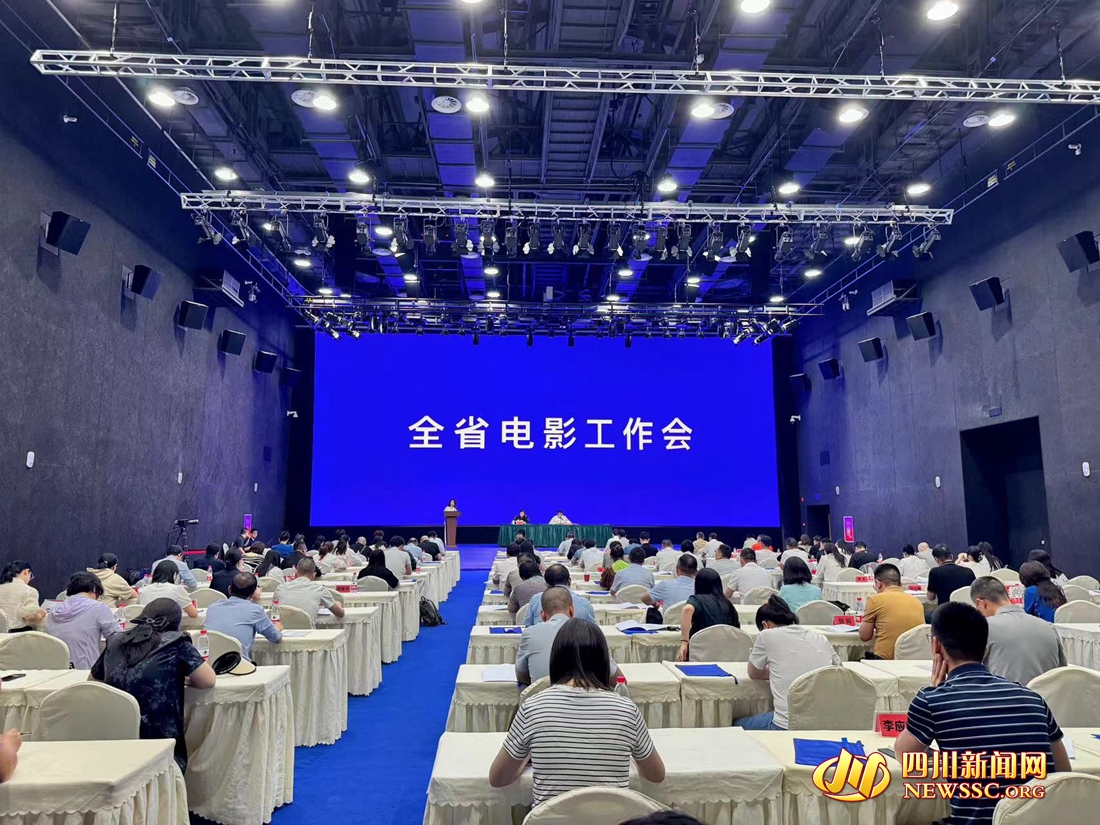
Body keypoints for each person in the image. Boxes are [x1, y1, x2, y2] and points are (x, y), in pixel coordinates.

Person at [894, 602, 1070, 825]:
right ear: (986, 649)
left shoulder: (933, 700)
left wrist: (936, 691)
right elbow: (1063, 772)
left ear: (936, 645)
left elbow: (906, 756)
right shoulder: (1032, 697)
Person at [489, 617, 664, 804]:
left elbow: (498, 778)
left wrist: (525, 759)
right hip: (613, 816)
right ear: (604, 661)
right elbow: (656, 775)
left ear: (556, 658)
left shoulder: (532, 708)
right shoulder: (626, 710)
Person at [91, 598, 215, 771]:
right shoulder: (177, 642)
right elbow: (208, 680)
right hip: (159, 739)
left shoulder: (116, 640)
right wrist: (182, 677)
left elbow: (93, 680)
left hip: (114, 734)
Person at [739, 596, 841, 730]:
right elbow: (839, 671)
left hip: (786, 724)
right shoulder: (821, 638)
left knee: (736, 724)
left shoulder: (766, 635)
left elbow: (754, 673)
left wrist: (774, 671)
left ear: (765, 625)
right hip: (824, 723)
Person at [971, 576, 1066, 685]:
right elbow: (1063, 671)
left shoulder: (984, 628)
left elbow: (970, 674)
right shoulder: (1049, 627)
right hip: (1047, 695)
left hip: (1005, 695)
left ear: (981, 604)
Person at [516, 588, 622, 685]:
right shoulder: (590, 632)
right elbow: (618, 680)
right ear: (572, 611)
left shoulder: (529, 633)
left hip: (542, 698)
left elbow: (521, 677)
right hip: (585, 698)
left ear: (543, 615)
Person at [47, 572, 119, 668]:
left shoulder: (53, 610)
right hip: (85, 671)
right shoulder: (98, 608)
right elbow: (118, 638)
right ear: (94, 589)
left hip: (56, 670)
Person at [205, 572, 283, 660]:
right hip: (239, 664)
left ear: (229, 589)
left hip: (209, 664)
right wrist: (277, 629)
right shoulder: (255, 610)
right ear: (253, 594)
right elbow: (275, 638)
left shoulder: (212, 608)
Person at [859, 563, 924, 659]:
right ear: (900, 584)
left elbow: (865, 636)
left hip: (884, 660)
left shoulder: (875, 600)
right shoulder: (917, 602)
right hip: (913, 659)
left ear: (878, 583)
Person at [676, 568, 739, 661]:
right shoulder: (727, 603)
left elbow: (687, 609)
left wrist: (684, 642)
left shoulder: (697, 599)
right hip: (726, 656)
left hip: (701, 654)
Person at [525, 564, 597, 626]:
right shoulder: (584, 603)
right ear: (569, 581)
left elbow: (526, 626)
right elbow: (593, 631)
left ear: (547, 584)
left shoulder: (536, 600)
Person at [274, 558, 346, 620]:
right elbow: (340, 613)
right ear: (313, 576)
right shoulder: (320, 590)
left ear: (296, 573)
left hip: (281, 630)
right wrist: (338, 603)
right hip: (308, 631)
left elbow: (274, 611)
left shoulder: (280, 588)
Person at [925, 544, 976, 612]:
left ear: (936, 559)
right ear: (951, 556)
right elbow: (975, 593)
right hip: (967, 612)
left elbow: (930, 597)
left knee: (927, 613)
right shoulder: (968, 571)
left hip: (945, 613)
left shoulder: (935, 572)